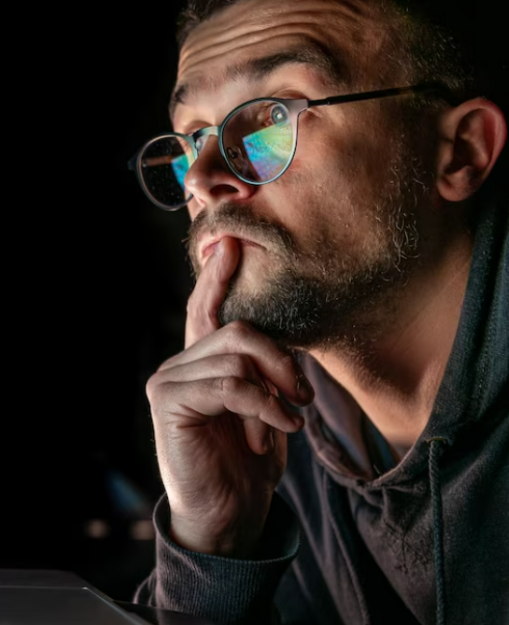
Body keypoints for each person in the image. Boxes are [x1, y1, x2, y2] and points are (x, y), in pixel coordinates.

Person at [129, 0, 509, 623]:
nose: (200, 176)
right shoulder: (271, 443)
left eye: (271, 119)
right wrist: (214, 549)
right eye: (192, 135)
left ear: (460, 152)